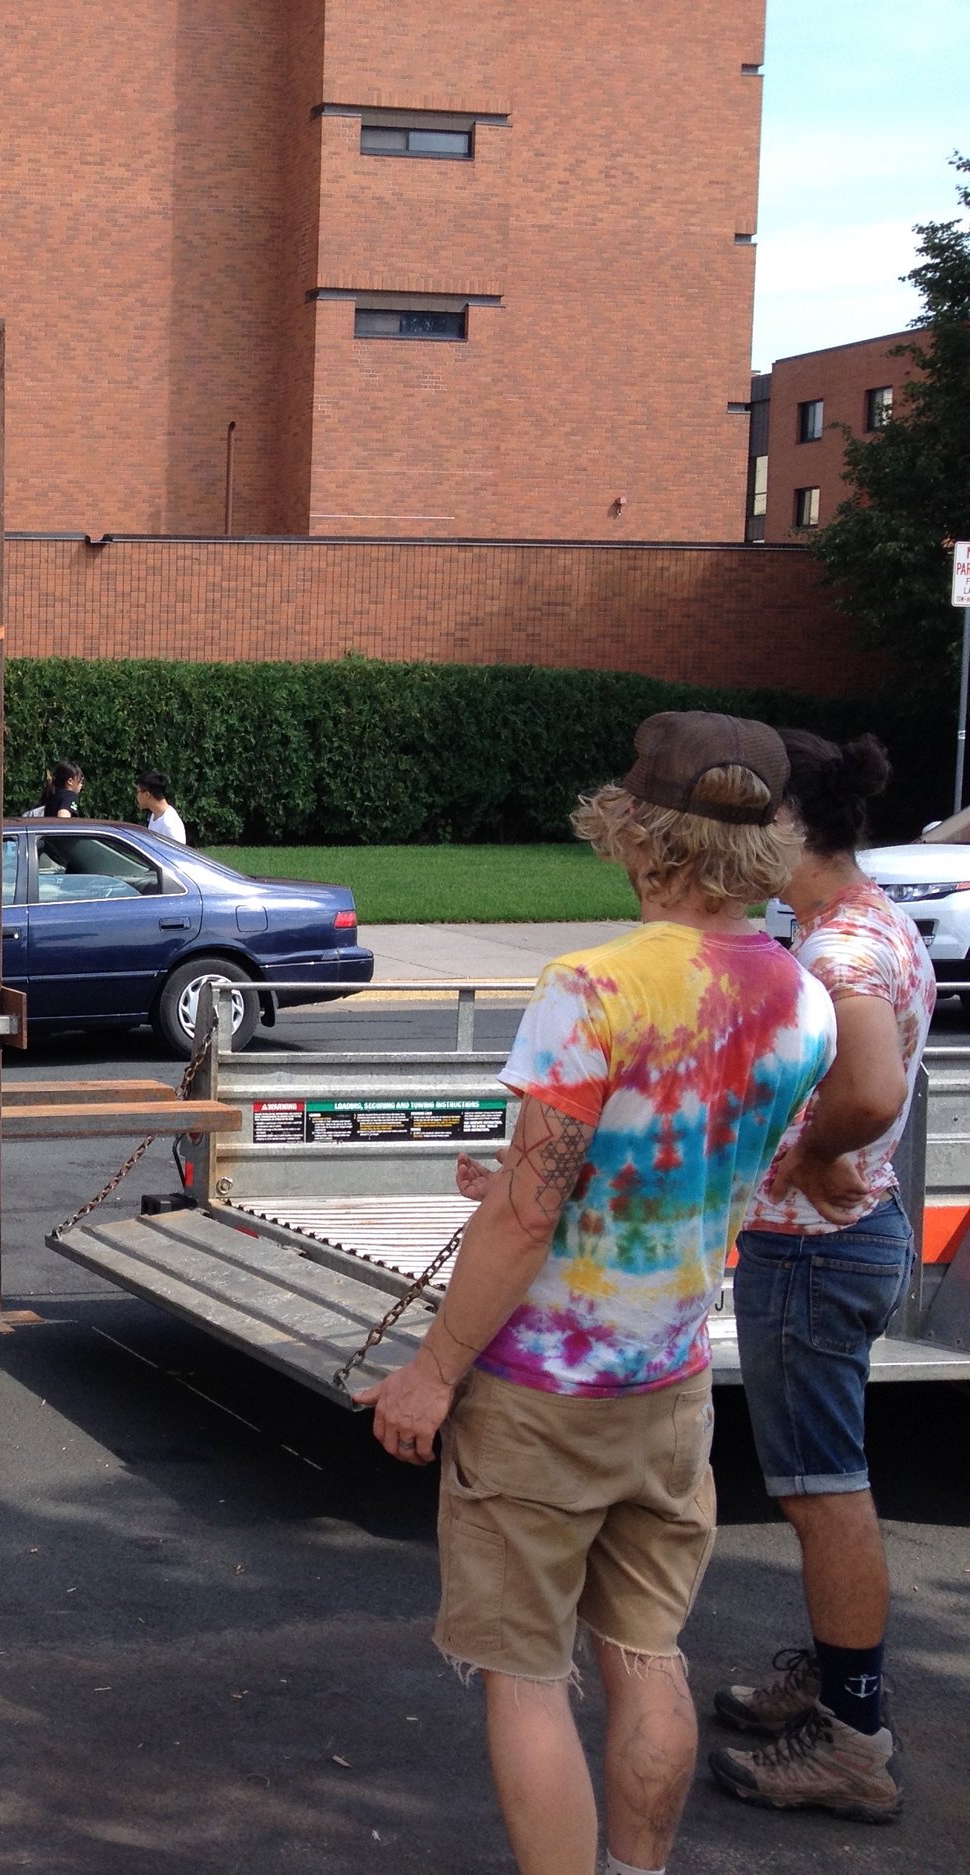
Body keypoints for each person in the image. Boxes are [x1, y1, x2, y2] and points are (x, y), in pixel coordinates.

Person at [357, 712, 833, 1875]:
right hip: (669, 1383)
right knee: (645, 1651)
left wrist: (429, 1372)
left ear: (639, 837)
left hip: (538, 1389)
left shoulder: (593, 986)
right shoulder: (800, 999)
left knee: (524, 1678)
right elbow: (697, 1164)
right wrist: (543, 1180)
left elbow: (528, 1212)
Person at [706, 730, 926, 1824]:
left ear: (791, 827)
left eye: (750, 822)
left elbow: (875, 1089)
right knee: (820, 1486)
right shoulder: (860, 922)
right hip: (838, 1243)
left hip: (813, 1247)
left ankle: (851, 1733)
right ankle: (835, 1679)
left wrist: (813, 1153)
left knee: (821, 1491)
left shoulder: (839, 952)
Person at [135, 770, 186, 845]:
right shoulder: (155, 815)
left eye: (138, 792)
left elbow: (178, 854)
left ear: (147, 794)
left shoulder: (169, 825)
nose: (137, 796)